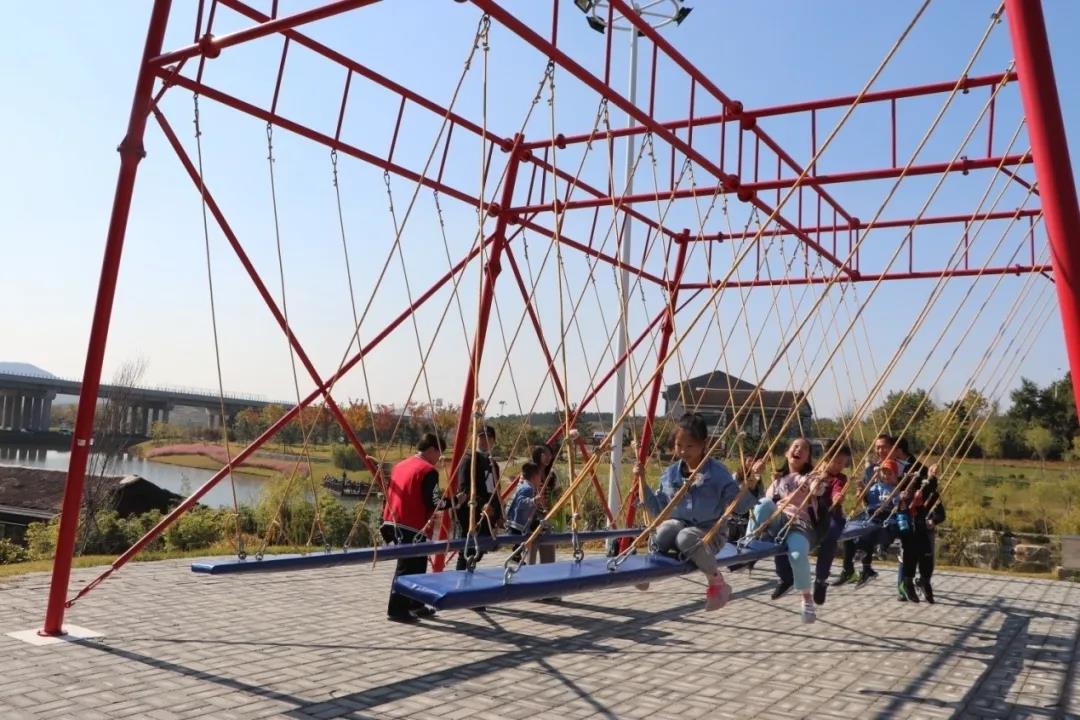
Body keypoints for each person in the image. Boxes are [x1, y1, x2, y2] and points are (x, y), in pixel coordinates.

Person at [637, 413, 755, 611]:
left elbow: (739, 507)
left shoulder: (717, 473)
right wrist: (641, 482)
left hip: (710, 534)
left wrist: (750, 486)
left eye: (690, 446)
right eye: (679, 445)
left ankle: (717, 582)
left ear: (704, 444)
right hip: (679, 528)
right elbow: (659, 511)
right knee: (664, 529)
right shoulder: (670, 474)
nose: (683, 451)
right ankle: (649, 570)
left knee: (685, 536)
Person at [746, 437, 828, 623]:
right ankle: (748, 542)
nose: (798, 450)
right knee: (764, 503)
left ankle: (806, 598)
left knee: (797, 556)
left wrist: (818, 482)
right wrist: (756, 477)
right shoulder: (778, 481)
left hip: (799, 524)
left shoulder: (809, 477)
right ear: (786, 453)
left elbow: (817, 489)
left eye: (804, 449)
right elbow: (762, 504)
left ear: (807, 458)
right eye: (795, 446)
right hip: (778, 521)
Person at [773, 441, 851, 606]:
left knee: (831, 535)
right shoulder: (813, 473)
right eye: (836, 462)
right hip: (811, 515)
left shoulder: (840, 478)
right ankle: (785, 577)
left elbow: (837, 490)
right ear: (826, 458)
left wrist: (837, 497)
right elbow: (802, 482)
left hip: (831, 515)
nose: (839, 466)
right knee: (782, 534)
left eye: (843, 463)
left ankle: (821, 579)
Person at [381, 432, 446, 623]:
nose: (439, 459)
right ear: (432, 449)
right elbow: (433, 501)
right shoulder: (428, 470)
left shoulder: (400, 465)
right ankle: (397, 609)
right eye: (439, 454)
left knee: (418, 564)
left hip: (392, 519)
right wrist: (454, 501)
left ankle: (415, 603)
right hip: (411, 523)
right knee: (408, 567)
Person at [834, 458, 902, 588]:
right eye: (884, 473)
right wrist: (862, 491)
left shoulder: (895, 489)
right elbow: (868, 499)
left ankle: (865, 563)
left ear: (895, 476)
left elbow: (897, 503)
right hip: (870, 514)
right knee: (849, 533)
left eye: (890, 473)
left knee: (868, 531)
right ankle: (848, 569)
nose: (886, 476)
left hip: (884, 516)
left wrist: (894, 499)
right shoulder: (875, 486)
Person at [454, 424, 503, 573]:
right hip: (470, 513)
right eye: (481, 438)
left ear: (493, 442)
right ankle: (460, 580)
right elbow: (464, 488)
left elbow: (496, 491)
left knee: (478, 551)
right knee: (466, 551)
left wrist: (499, 514)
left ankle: (469, 577)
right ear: (476, 439)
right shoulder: (468, 460)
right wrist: (481, 505)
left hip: (487, 514)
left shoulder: (493, 464)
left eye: (489, 439)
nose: (484, 442)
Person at [897, 462, 942, 603]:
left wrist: (932, 476)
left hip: (922, 531)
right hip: (908, 532)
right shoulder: (902, 494)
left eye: (915, 477)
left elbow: (940, 512)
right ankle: (907, 583)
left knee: (927, 559)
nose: (912, 480)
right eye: (909, 477)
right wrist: (901, 501)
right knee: (909, 558)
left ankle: (924, 582)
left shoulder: (928, 494)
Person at [506, 461, 545, 562]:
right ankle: (516, 557)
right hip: (517, 523)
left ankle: (517, 557)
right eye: (539, 476)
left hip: (515, 521)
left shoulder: (524, 485)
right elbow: (520, 502)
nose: (540, 479)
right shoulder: (528, 488)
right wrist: (533, 501)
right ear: (534, 476)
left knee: (521, 543)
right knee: (521, 541)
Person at [530, 443, 558, 565]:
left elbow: (551, 496)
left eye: (550, 454)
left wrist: (556, 495)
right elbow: (523, 492)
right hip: (531, 519)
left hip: (546, 517)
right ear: (537, 455)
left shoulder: (551, 475)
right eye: (545, 454)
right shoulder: (529, 473)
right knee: (530, 557)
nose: (548, 457)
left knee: (549, 559)